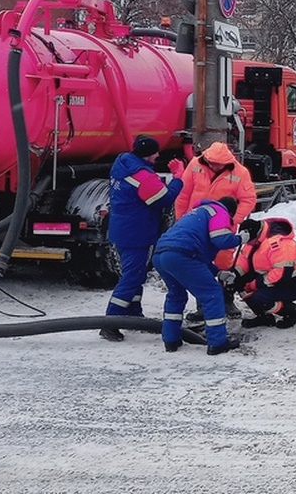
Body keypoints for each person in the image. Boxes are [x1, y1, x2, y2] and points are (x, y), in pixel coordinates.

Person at [99, 135, 184, 342]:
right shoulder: (141, 175)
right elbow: (162, 199)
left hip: (122, 229)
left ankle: (133, 313)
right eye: (155, 153)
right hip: (138, 232)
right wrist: (178, 178)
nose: (157, 156)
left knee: (133, 273)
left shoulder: (123, 164)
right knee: (133, 277)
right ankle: (110, 323)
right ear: (146, 154)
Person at [152, 196, 251, 355]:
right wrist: (240, 238)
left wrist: (218, 272)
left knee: (176, 295)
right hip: (181, 254)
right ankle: (218, 343)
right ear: (231, 211)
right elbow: (220, 239)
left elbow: (199, 258)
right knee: (211, 293)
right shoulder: (219, 211)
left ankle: (171, 340)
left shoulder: (196, 213)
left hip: (161, 254)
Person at [174, 140, 257, 320]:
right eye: (211, 162)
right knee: (201, 265)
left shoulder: (240, 172)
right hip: (197, 226)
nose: (213, 165)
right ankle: (203, 306)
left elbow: (248, 199)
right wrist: (181, 220)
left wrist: (233, 220)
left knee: (225, 263)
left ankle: (227, 300)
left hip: (222, 228)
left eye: (217, 163)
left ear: (227, 161)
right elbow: (183, 194)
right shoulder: (195, 165)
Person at [225, 215, 296, 330]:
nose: (248, 244)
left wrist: (255, 284)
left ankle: (291, 312)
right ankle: (264, 317)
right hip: (272, 276)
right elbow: (244, 259)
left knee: (259, 297)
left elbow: (282, 273)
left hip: (293, 282)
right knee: (241, 286)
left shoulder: (279, 243)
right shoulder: (256, 238)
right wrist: (235, 275)